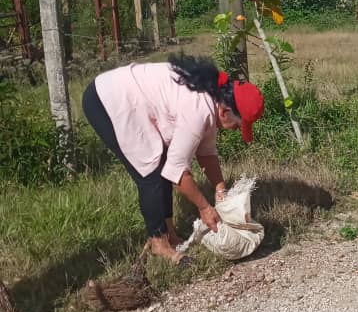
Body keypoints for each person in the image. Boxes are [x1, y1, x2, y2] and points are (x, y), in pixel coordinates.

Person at [82, 56, 264, 263]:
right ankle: (158, 242)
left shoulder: (212, 99)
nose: (237, 129)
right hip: (109, 100)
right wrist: (205, 208)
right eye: (239, 124)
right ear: (225, 111)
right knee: (150, 170)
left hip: (126, 96)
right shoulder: (199, 109)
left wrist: (220, 189)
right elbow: (177, 172)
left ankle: (169, 234)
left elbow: (206, 153)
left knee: (162, 161)